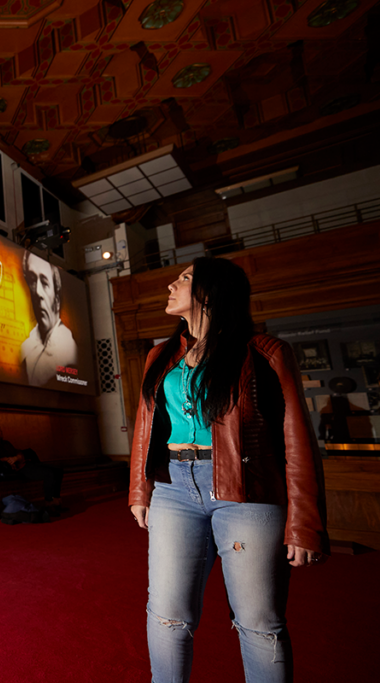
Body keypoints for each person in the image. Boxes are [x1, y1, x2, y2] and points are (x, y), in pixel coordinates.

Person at [128, 257, 327, 683]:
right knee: (166, 614)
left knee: (259, 621)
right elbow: (145, 428)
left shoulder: (265, 352)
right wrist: (140, 491)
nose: (171, 285)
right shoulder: (160, 355)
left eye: (184, 278)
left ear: (211, 291)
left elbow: (296, 438)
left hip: (247, 490)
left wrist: (305, 523)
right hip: (172, 488)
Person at [0, 424, 64, 515]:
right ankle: (49, 504)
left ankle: (57, 501)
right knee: (48, 473)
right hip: (18, 468)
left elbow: (18, 452)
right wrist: (6, 459)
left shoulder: (6, 443)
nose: (1, 431)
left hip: (24, 462)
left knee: (58, 470)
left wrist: (17, 457)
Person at [20, 251, 78, 386]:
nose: (37, 292)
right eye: (32, 280)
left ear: (57, 297)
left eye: (44, 283)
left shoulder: (69, 351)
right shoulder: (25, 349)